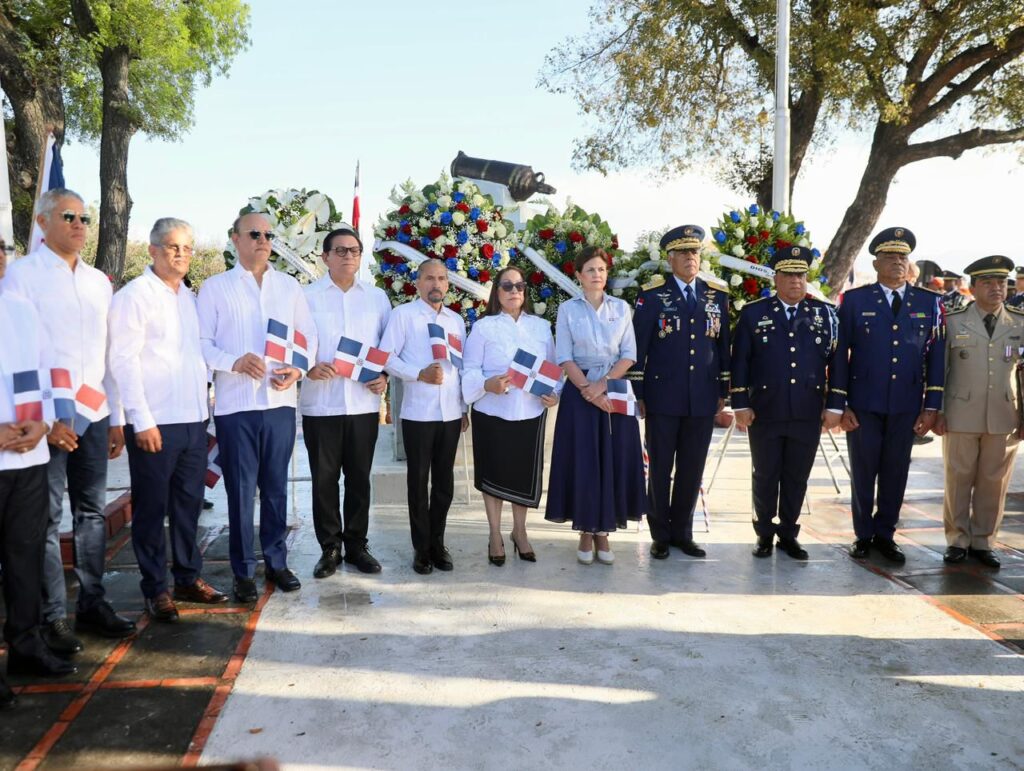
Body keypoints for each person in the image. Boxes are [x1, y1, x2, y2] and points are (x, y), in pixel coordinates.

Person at [3, 188, 135, 652]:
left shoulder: (99, 281)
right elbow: (20, 354)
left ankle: (93, 602)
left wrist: (116, 416)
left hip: (94, 411)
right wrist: (44, 418)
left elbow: (108, 353)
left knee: (92, 512)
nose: (79, 225)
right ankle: (54, 616)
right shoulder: (22, 276)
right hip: (47, 418)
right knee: (46, 518)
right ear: (42, 222)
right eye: (68, 216)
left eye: (84, 218)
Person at [108, 218, 228, 621]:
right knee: (151, 508)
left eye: (187, 247)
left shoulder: (189, 299)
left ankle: (188, 578)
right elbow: (122, 361)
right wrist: (139, 419)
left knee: (188, 505)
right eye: (173, 247)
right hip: (154, 422)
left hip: (193, 420)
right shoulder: (135, 296)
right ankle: (156, 588)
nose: (181, 254)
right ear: (153, 250)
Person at [197, 212, 316, 601]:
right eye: (254, 234)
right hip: (236, 406)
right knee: (241, 492)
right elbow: (201, 343)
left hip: (279, 403)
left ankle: (277, 563)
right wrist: (233, 362)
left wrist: (298, 370)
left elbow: (307, 337)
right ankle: (243, 571)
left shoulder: (289, 287)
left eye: (268, 234)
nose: (263, 240)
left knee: (276, 488)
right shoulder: (215, 288)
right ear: (235, 239)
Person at [824, 227, 944, 563]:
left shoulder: (929, 302)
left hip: (906, 405)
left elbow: (937, 357)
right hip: (864, 404)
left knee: (896, 472)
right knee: (863, 472)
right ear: (876, 264)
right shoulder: (855, 301)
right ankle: (863, 535)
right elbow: (840, 355)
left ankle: (886, 534)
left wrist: (931, 406)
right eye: (890, 257)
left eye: (903, 256)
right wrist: (841, 404)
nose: (897, 262)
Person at [0, 239, 77, 710]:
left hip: (28, 459)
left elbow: (49, 373)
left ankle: (27, 646)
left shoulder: (21, 309)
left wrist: (45, 423)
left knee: (24, 559)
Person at [629, 225, 729, 560]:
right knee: (660, 468)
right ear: (670, 259)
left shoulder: (716, 295)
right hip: (662, 397)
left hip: (702, 397)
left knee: (692, 468)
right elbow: (639, 347)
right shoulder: (653, 295)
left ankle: (683, 533)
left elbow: (722, 347)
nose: (690, 258)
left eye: (695, 252)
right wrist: (639, 393)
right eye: (683, 253)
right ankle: (660, 534)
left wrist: (724, 390)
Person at [731, 247, 836, 559]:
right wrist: (740, 402)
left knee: (797, 475)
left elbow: (837, 364)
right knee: (765, 474)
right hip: (765, 409)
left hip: (807, 409)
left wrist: (835, 405)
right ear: (776, 278)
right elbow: (740, 361)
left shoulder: (824, 314)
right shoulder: (754, 313)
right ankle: (764, 532)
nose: (795, 281)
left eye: (800, 275)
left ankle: (789, 533)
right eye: (789, 275)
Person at [545, 246, 646, 564]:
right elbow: (564, 356)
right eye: (590, 269)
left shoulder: (621, 308)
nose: (597, 274)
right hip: (579, 390)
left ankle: (604, 533)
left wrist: (602, 386)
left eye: (601, 269)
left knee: (614, 460)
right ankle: (585, 531)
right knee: (584, 462)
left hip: (614, 388)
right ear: (578, 275)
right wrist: (588, 391)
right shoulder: (568, 310)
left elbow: (629, 354)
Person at [301, 226, 390, 578]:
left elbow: (387, 348)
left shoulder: (376, 298)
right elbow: (297, 343)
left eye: (354, 250)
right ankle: (329, 548)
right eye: (340, 250)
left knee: (358, 479)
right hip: (321, 403)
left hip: (362, 404)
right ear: (325, 257)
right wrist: (308, 367)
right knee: (324, 481)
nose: (348, 256)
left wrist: (385, 376)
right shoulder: (306, 297)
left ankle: (356, 546)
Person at [462, 266, 559, 565]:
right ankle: (494, 534)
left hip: (530, 411)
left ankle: (520, 531)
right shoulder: (483, 327)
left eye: (519, 286)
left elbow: (553, 369)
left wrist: (554, 393)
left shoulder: (541, 327)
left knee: (522, 475)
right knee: (493, 473)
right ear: (497, 291)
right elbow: (469, 369)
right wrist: (485, 385)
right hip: (492, 411)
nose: (514, 291)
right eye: (507, 286)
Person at [934, 256, 1024, 570]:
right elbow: (939, 369)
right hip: (960, 412)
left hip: (1004, 413)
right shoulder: (953, 321)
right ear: (972, 288)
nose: (996, 288)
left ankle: (984, 541)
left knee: (994, 482)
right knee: (958, 479)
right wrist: (936, 410)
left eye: (1001, 283)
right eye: (987, 283)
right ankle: (957, 540)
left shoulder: (1019, 322)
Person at [379, 258, 467, 574]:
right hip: (419, 413)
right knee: (417, 483)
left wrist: (463, 408)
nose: (436, 284)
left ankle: (437, 544)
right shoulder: (403, 315)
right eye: (429, 278)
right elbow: (385, 357)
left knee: (444, 484)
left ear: (448, 284)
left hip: (450, 414)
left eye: (441, 278)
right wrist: (418, 373)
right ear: (417, 283)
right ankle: (421, 548)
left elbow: (462, 368)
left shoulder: (456, 321)